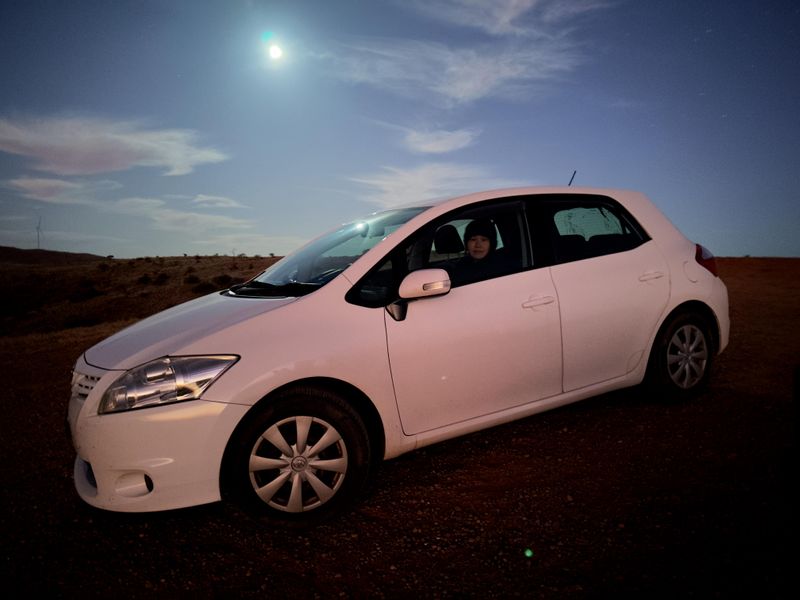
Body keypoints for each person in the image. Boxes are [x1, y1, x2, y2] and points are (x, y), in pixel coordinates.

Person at [450, 218, 499, 285]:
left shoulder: (498, 269)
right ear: (466, 243)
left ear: (492, 243)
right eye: (473, 239)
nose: (478, 245)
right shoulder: (461, 265)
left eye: (484, 240)